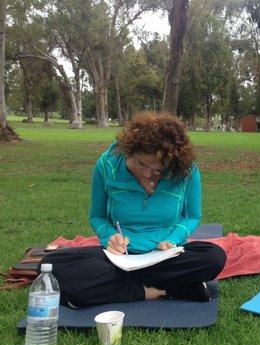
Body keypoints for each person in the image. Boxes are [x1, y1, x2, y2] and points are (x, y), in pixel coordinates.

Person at [41, 112, 226, 307]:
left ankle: (111, 287)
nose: (148, 174)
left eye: (157, 169)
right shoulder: (107, 164)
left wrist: (173, 240)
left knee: (214, 257)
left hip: (165, 257)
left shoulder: (186, 171)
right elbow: (98, 216)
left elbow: (192, 216)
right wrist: (109, 236)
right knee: (51, 266)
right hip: (119, 258)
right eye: (141, 164)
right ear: (129, 152)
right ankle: (157, 291)